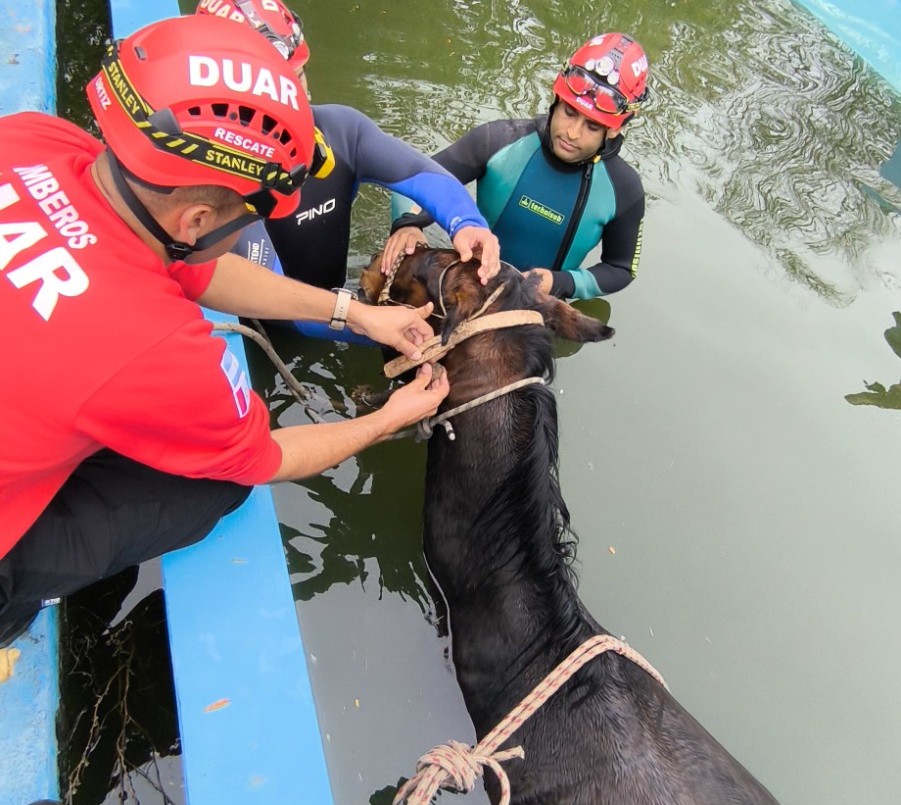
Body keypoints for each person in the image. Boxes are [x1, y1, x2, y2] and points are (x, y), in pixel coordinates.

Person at [0, 14, 451, 647]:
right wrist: (388, 418)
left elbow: (198, 269)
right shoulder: (160, 348)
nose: (247, 232)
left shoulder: (35, 140)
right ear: (196, 221)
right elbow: (265, 457)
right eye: (246, 216)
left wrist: (356, 312)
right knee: (218, 489)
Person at [195, 0, 500, 312]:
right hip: (258, 323)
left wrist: (467, 224)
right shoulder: (203, 179)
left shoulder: (341, 131)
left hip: (336, 311)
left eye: (297, 77)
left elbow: (424, 175)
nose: (294, 100)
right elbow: (269, 299)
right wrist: (362, 320)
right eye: (272, 90)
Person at [386, 33, 650, 302]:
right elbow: (412, 179)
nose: (572, 133)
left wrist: (560, 282)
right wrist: (410, 225)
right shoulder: (499, 141)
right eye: (569, 112)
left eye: (592, 126)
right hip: (468, 285)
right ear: (556, 99)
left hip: (538, 304)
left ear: (614, 130)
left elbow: (621, 268)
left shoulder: (624, 189)